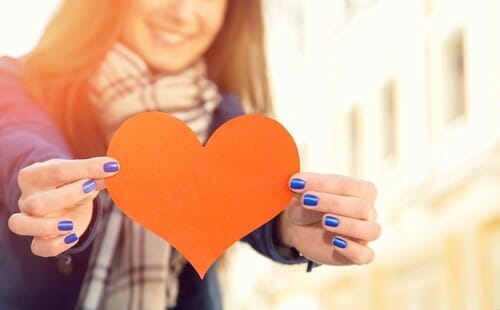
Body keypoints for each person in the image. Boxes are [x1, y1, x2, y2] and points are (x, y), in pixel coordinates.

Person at [0, 0, 381, 309]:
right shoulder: (20, 83)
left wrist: (287, 223)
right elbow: (20, 139)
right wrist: (52, 189)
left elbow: (241, 184)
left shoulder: (226, 123)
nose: (182, 11)